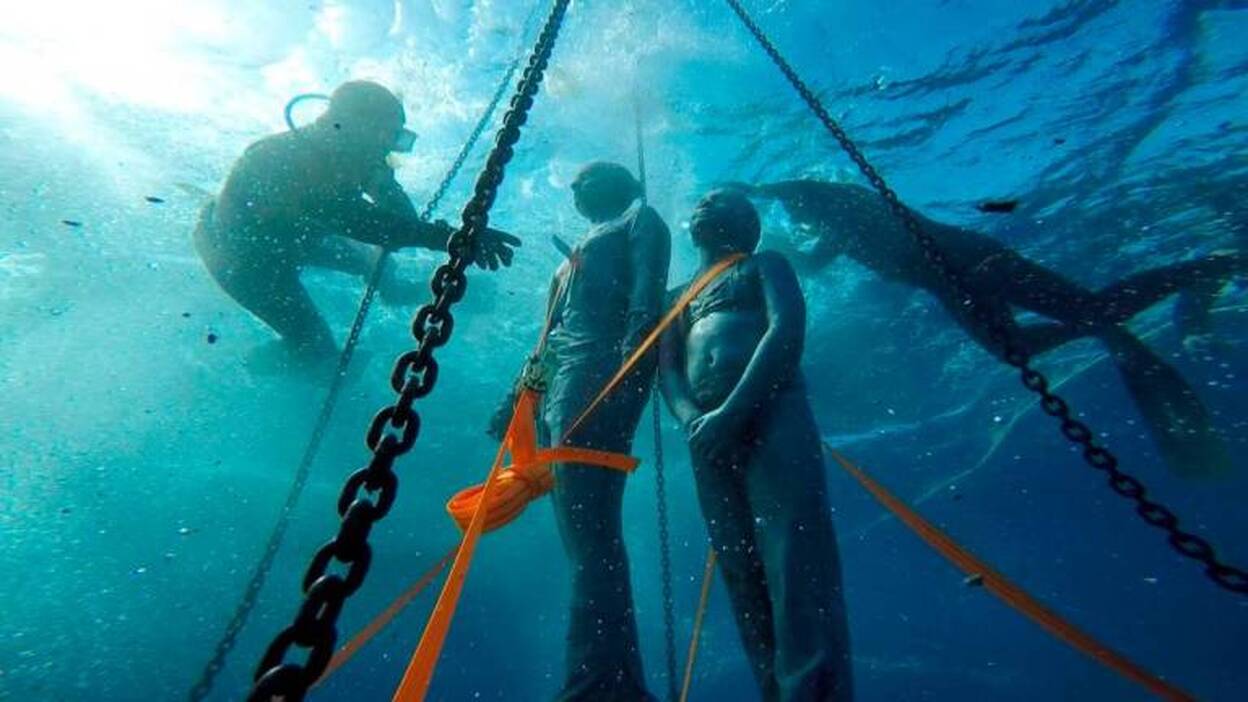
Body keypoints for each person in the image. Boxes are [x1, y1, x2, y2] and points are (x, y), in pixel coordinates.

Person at [733, 179, 1243, 476]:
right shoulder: (839, 227)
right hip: (958, 281)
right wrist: (777, 243)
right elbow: (813, 260)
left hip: (972, 262)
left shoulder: (844, 204)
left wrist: (755, 191)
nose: (797, 216)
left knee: (1092, 310)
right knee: (1021, 343)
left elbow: (808, 199)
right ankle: (1114, 317)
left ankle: (1207, 268)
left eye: (798, 210)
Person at [659, 189, 852, 702]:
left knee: (796, 556)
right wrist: (694, 421)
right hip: (707, 439)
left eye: (720, 201)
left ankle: (816, 692)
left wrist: (732, 412)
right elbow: (668, 372)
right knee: (740, 567)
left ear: (747, 223)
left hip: (774, 414)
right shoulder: (676, 299)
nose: (704, 203)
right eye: (702, 200)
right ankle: (776, 691)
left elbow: (786, 331)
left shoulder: (765, 264)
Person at [193, 80, 520, 363]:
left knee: (376, 265)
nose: (391, 148)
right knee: (316, 349)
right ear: (349, 125)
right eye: (389, 135)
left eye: (399, 138)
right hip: (241, 260)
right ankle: (250, 364)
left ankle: (403, 292)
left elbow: (400, 222)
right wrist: (452, 238)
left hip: (297, 237)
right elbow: (367, 224)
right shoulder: (279, 161)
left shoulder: (354, 155)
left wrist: (386, 186)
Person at [502, 161, 669, 701]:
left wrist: (631, 368)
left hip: (601, 375)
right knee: (584, 538)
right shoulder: (571, 255)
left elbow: (647, 299)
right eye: (574, 181)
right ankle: (611, 681)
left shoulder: (640, 221)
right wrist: (515, 399)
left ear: (622, 183)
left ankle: (600, 684)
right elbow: (548, 337)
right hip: (561, 391)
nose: (576, 185)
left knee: (592, 533)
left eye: (589, 176)